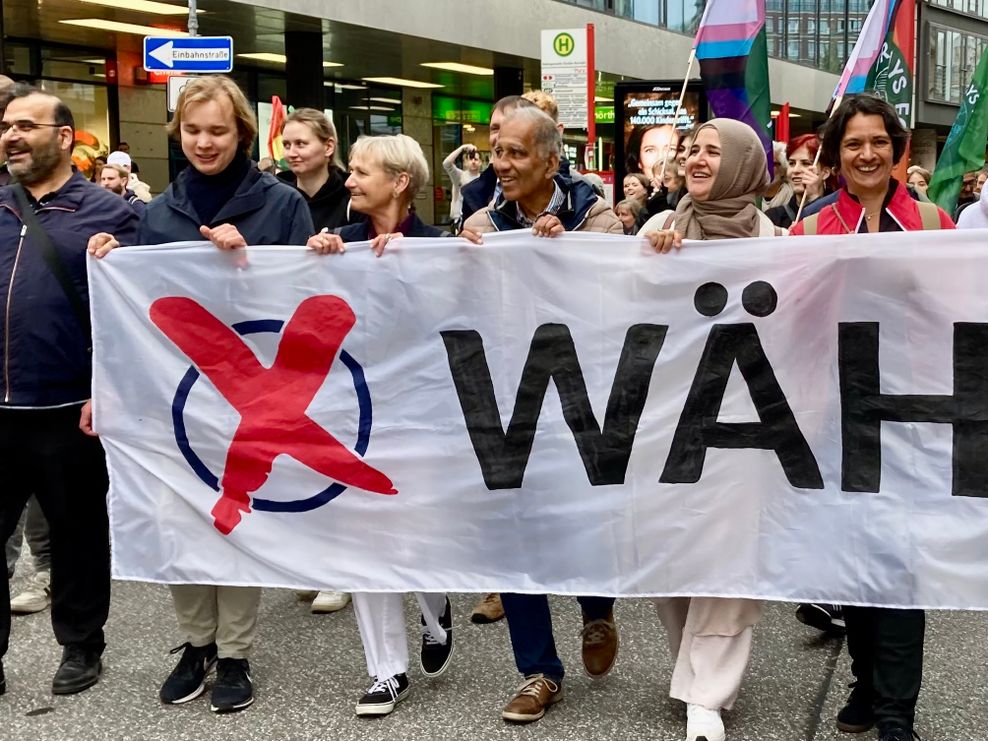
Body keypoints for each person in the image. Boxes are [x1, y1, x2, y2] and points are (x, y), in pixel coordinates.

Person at [88, 75, 313, 714]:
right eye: (192, 131)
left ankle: (236, 652)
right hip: (177, 394)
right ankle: (196, 642)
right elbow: (144, 307)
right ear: (177, 133)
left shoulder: (280, 204)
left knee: (233, 514)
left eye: (217, 130)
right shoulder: (159, 211)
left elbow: (299, 298)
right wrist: (114, 255)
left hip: (249, 394)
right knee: (178, 516)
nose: (204, 142)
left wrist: (249, 263)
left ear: (241, 131)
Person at [790, 94, 953, 741]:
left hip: (912, 418)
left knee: (900, 562)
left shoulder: (937, 226)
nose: (866, 154)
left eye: (878, 142)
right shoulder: (807, 230)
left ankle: (895, 712)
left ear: (897, 149)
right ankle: (863, 681)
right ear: (838, 154)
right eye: (853, 143)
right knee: (851, 561)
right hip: (835, 421)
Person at [460, 105, 623, 725]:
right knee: (517, 527)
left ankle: (597, 611)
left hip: (582, 393)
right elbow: (462, 304)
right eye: (496, 152)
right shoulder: (481, 221)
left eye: (516, 155)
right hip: (510, 396)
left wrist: (573, 253)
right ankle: (538, 671)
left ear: (550, 162)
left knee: (584, 517)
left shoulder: (595, 216)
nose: (501, 165)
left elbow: (618, 292)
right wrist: (462, 258)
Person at [306, 134, 454, 718]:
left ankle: (435, 603)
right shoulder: (335, 245)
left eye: (362, 171)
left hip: (423, 417)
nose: (349, 180)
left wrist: (431, 268)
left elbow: (463, 321)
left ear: (399, 181)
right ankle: (385, 670)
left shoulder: (436, 245)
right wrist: (311, 264)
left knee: (418, 534)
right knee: (366, 540)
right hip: (352, 419)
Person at [640, 118, 779, 741]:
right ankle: (690, 667)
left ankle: (708, 693)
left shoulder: (780, 239)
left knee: (729, 554)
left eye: (712, 151)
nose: (696, 159)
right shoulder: (658, 229)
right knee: (675, 549)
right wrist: (651, 268)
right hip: (667, 422)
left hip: (748, 425)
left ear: (745, 164)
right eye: (692, 150)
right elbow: (611, 314)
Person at [0, 83, 139, 697]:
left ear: (63, 138)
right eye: (6, 126)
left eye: (27, 126)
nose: (11, 136)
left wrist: (107, 389)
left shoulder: (112, 214)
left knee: (78, 534)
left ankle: (82, 646)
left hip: (70, 410)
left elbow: (141, 314)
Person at [459, 95, 537, 227]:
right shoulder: (473, 193)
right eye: (495, 128)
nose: (500, 136)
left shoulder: (568, 197)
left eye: (509, 126)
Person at [278, 107, 353, 236]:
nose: (291, 153)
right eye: (286, 145)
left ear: (328, 147)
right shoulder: (275, 196)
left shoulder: (353, 195)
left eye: (300, 144)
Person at [765, 134, 833, 229]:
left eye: (805, 164)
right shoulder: (774, 217)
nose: (796, 170)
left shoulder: (838, 213)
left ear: (825, 173)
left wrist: (814, 200)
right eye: (792, 163)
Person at [441, 143, 482, 225]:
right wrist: (462, 148)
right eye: (470, 159)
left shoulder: (483, 179)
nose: (473, 161)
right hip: (460, 220)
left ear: (481, 162)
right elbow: (446, 164)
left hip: (477, 220)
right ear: (465, 162)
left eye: (476, 159)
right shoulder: (459, 176)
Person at [761, 141, 794, 211]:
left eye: (771, 164)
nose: (765, 168)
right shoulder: (751, 196)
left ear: (782, 170)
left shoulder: (792, 197)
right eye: (762, 163)